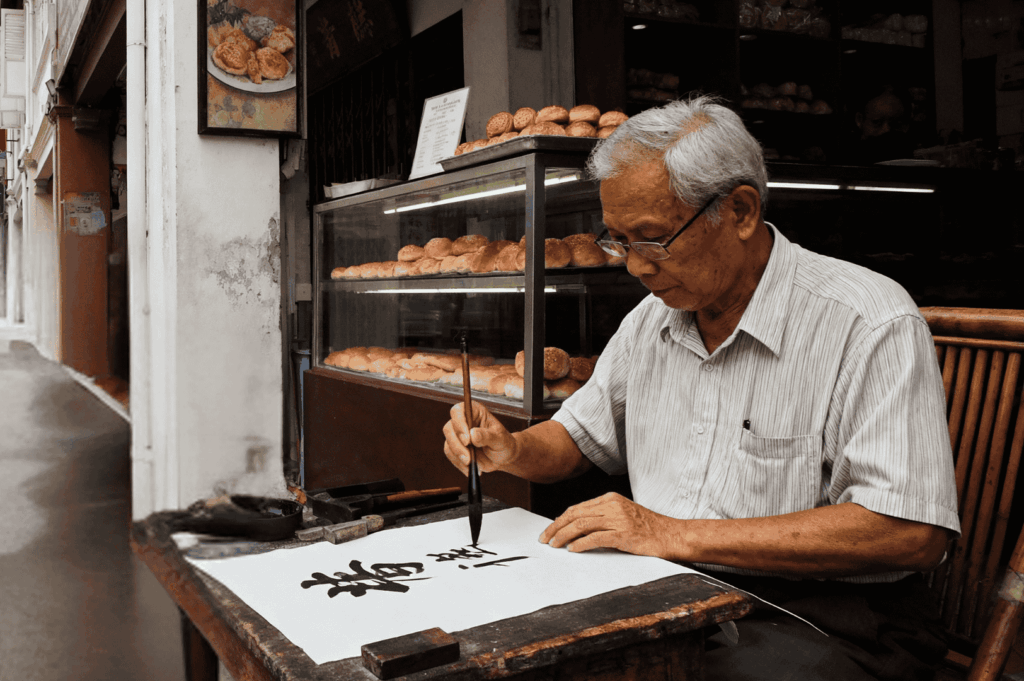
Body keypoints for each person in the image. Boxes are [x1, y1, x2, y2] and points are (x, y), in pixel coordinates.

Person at [441, 95, 960, 680]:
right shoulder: (652, 320)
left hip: (822, 616)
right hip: (672, 590)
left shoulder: (866, 319)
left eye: (651, 238)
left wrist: (672, 534)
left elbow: (910, 532)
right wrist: (513, 448)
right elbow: (577, 438)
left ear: (739, 211)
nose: (634, 266)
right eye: (618, 240)